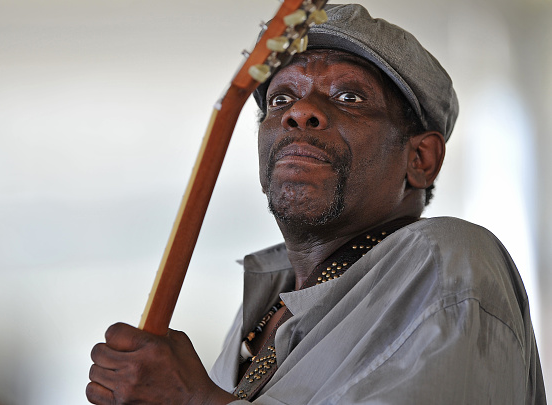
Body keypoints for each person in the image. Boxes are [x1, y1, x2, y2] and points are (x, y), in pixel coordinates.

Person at [86, 4, 546, 404]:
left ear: (420, 159)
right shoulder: (264, 308)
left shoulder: (448, 258)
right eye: (281, 96)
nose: (298, 112)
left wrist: (193, 399)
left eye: (349, 96)